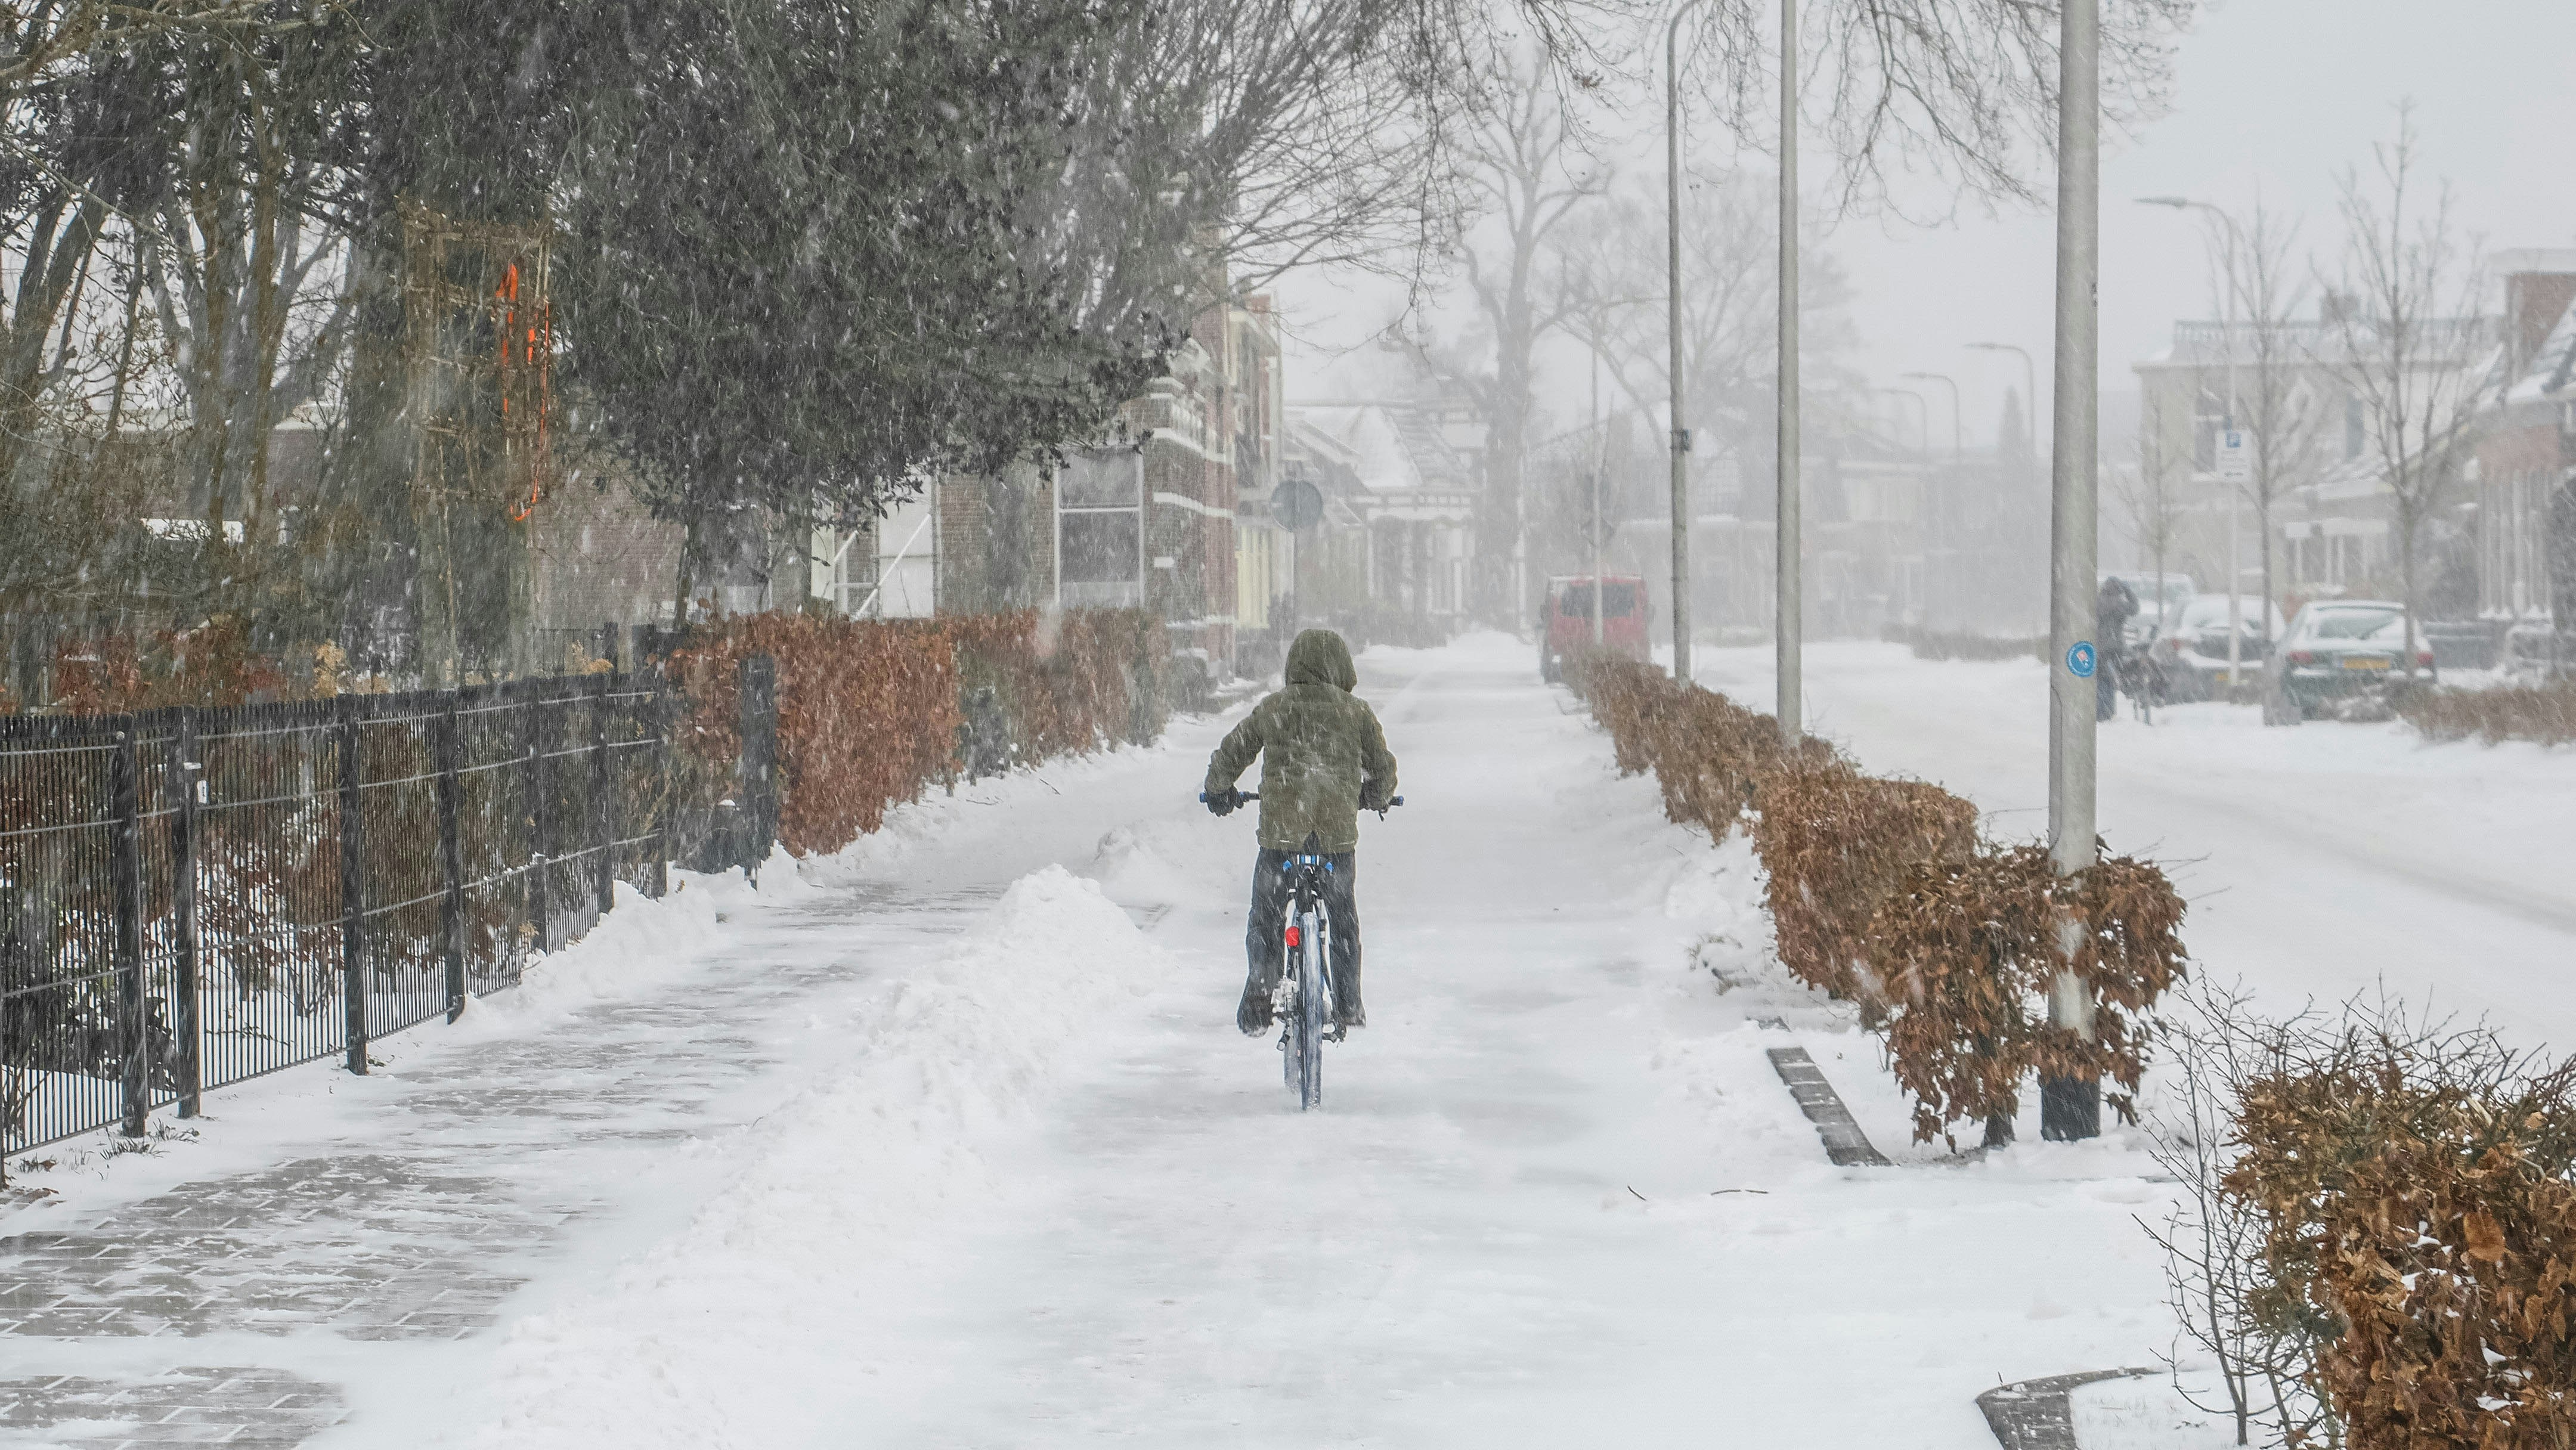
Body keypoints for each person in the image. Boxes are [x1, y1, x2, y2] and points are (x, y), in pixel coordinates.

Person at [1202, 628, 1397, 1036]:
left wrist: (1219, 791)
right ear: (1342, 668)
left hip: (1282, 839)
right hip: (1334, 842)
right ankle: (1348, 1003)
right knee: (1343, 920)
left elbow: (1234, 749)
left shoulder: (1276, 708)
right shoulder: (1356, 713)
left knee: (1267, 916)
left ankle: (1259, 994)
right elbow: (1383, 768)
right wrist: (1375, 797)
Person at [2095, 575, 2139, 721]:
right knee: (2110, 680)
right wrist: (2127, 590)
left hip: (2099, 648)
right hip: (2116, 648)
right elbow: (2135, 608)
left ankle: (2100, 710)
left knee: (2100, 680)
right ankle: (2108, 710)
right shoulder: (2120, 604)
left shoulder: (2097, 602)